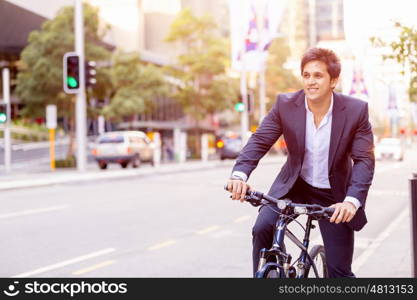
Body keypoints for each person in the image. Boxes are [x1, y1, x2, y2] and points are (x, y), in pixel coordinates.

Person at [226, 48, 375, 278]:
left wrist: (351, 202)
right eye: (306, 75)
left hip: (333, 195)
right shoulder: (285, 104)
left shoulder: (355, 111)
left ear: (333, 80)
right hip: (295, 185)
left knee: (339, 271)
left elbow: (364, 160)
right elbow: (260, 140)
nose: (310, 82)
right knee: (263, 228)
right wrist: (239, 175)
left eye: (318, 76)